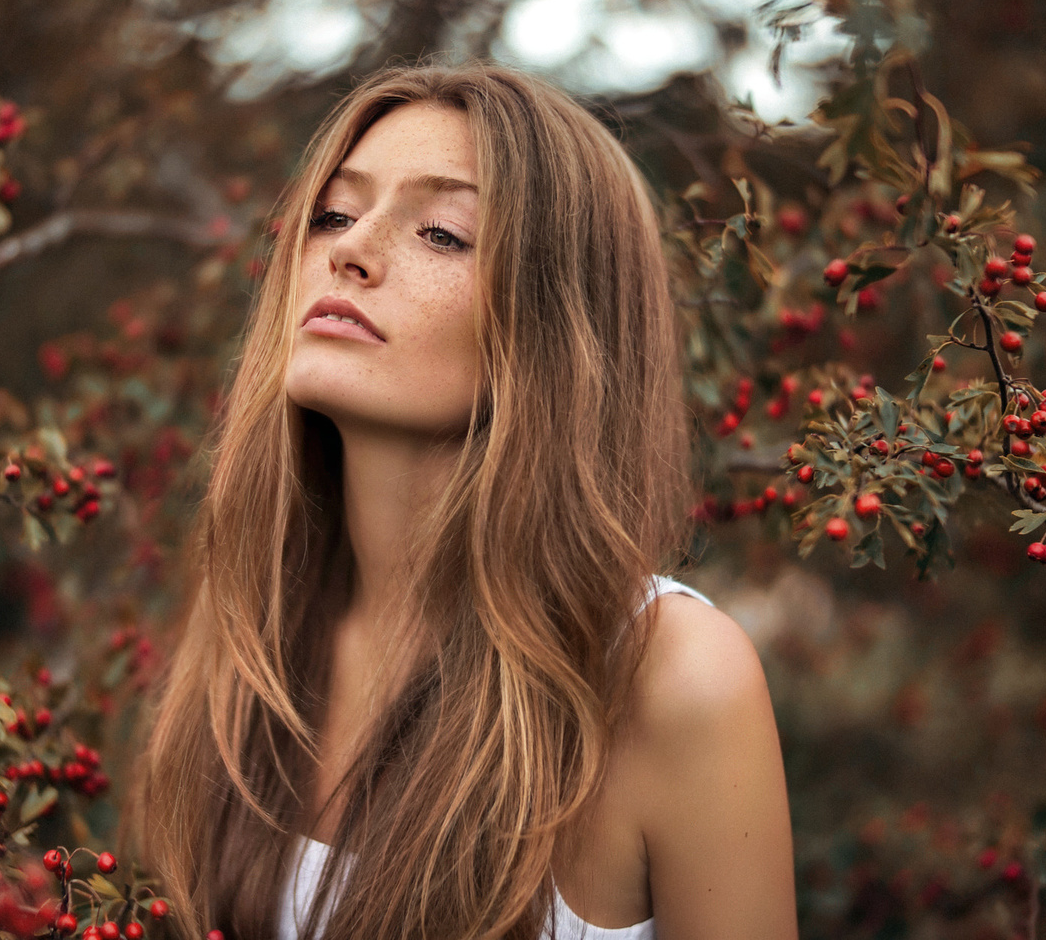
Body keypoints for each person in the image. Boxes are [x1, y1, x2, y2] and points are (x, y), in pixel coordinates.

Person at [134, 64, 797, 940]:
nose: (348, 248)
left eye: (442, 233)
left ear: (560, 327)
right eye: (334, 213)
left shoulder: (670, 678)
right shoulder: (250, 636)